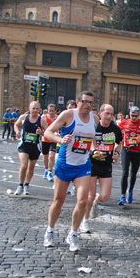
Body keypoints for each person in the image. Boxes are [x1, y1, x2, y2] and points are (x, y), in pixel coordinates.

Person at [43, 91, 99, 251]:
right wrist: (61, 139)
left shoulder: (94, 119)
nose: (88, 105)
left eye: (91, 103)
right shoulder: (68, 115)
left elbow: (92, 139)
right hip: (64, 164)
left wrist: (94, 150)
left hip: (83, 166)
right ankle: (50, 230)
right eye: (85, 101)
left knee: (83, 201)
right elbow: (48, 132)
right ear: (78, 101)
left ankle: (73, 234)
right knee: (58, 201)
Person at [81, 104, 123, 232]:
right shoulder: (93, 127)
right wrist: (93, 152)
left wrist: (117, 153)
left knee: (105, 197)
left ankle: (95, 202)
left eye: (111, 114)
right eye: (106, 113)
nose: (109, 116)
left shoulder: (115, 129)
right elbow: (86, 142)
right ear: (100, 113)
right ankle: (85, 221)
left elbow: (119, 143)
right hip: (92, 164)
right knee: (90, 195)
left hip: (106, 165)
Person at [118, 106, 140, 205]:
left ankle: (130, 191)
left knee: (133, 173)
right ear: (129, 115)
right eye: (132, 116)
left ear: (139, 115)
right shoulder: (125, 122)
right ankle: (123, 195)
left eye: (136, 116)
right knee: (124, 172)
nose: (134, 118)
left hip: (137, 151)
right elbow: (117, 132)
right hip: (126, 150)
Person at [13, 101, 43, 195]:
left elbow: (47, 131)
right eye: (33, 108)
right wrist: (17, 132)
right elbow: (16, 125)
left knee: (31, 167)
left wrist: (41, 132)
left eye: (37, 109)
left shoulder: (41, 120)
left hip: (35, 146)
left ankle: (27, 184)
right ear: (29, 109)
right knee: (24, 165)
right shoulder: (23, 117)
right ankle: (20, 185)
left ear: (39, 110)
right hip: (24, 145)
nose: (35, 110)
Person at [41, 104, 59, 182]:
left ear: (55, 111)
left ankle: (49, 172)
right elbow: (40, 128)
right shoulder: (43, 118)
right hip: (45, 139)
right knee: (45, 156)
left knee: (52, 156)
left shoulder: (58, 118)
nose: (51, 112)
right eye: (49, 111)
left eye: (52, 111)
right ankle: (46, 169)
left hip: (54, 139)